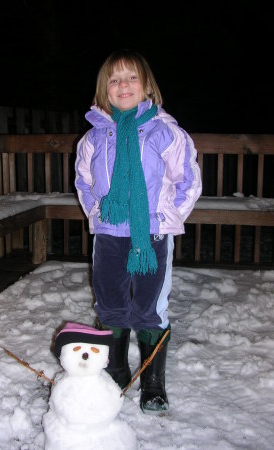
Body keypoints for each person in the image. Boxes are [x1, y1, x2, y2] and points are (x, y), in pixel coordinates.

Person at [75, 49, 202, 415]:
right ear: (104, 91)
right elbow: (84, 182)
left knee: (149, 307)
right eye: (114, 80)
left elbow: (187, 180)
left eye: (131, 77)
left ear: (147, 86)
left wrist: (167, 218)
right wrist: (98, 215)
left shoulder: (167, 133)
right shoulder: (93, 139)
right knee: (110, 303)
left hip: (153, 236)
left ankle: (152, 382)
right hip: (109, 234)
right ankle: (115, 370)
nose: (123, 85)